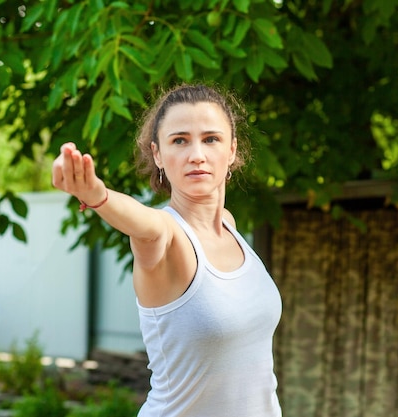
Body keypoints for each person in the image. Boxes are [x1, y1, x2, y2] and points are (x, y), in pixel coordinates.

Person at [52, 83, 282, 417]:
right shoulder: (166, 236)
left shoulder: (230, 226)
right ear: (158, 154)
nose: (197, 155)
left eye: (211, 139)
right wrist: (97, 194)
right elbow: (145, 225)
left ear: (231, 151)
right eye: (180, 140)